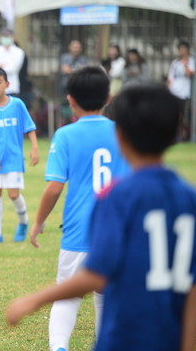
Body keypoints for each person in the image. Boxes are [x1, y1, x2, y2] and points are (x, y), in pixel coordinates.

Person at [6, 83, 196, 351]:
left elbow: (97, 275)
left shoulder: (117, 196)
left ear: (121, 136)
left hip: (123, 338)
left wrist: (33, 300)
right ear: (177, 134)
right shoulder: (194, 200)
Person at [29, 66, 129, 351]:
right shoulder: (123, 133)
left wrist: (38, 222)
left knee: (67, 295)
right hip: (116, 230)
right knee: (106, 294)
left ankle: (59, 347)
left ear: (70, 100)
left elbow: (54, 187)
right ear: (109, 96)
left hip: (78, 231)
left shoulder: (65, 135)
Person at [0, 67, 39, 244]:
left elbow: (30, 127)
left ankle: (23, 222)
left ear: (7, 84)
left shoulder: (17, 105)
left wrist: (34, 148)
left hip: (13, 158)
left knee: (13, 194)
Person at [167, 40, 195, 140]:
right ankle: (174, 137)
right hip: (174, 92)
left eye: (184, 49)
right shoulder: (175, 62)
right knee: (173, 116)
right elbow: (170, 78)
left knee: (182, 116)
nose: (182, 51)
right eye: (180, 49)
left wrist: (184, 63)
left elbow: (189, 73)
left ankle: (182, 137)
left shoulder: (191, 61)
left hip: (184, 93)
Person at [0, 28, 25, 98]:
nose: (5, 39)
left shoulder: (18, 52)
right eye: (3, 36)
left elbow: (12, 69)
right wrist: (3, 66)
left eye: (8, 36)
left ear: (14, 38)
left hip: (11, 89)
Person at [59, 40, 87, 126]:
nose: (76, 49)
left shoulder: (83, 59)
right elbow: (65, 69)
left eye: (78, 47)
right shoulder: (65, 57)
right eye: (74, 47)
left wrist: (71, 70)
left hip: (78, 88)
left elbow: (83, 71)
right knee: (64, 108)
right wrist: (76, 70)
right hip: (65, 87)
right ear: (70, 48)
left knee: (77, 107)